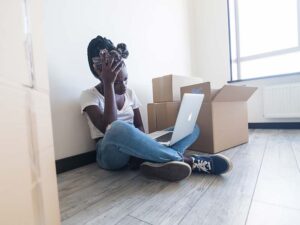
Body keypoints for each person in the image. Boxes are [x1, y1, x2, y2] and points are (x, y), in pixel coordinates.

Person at [80, 35, 232, 181]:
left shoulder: (130, 93)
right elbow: (108, 127)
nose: (123, 85)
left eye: (125, 79)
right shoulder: (88, 95)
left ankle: (155, 162)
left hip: (136, 145)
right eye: (117, 82)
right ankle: (189, 161)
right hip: (110, 153)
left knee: (192, 128)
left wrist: (141, 146)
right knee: (117, 127)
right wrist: (109, 84)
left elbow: (139, 126)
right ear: (100, 74)